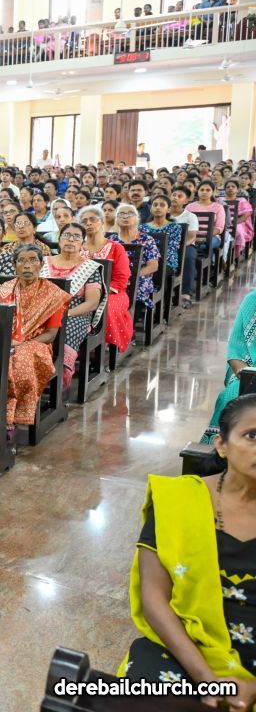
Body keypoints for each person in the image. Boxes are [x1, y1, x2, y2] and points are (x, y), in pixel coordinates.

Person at [120, 395, 256, 710]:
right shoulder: (178, 500)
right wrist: (206, 679)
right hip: (184, 647)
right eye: (252, 435)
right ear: (222, 445)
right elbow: (155, 600)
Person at [0, 245, 69, 435]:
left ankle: (11, 415)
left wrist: (22, 343)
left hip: (37, 343)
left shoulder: (52, 293)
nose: (27, 265)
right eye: (21, 260)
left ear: (41, 264)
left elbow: (51, 334)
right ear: (14, 265)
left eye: (33, 260)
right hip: (6, 339)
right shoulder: (5, 290)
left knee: (19, 358)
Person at [40, 223, 107, 387]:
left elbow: (92, 303)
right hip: (41, 311)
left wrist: (64, 314)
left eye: (76, 237)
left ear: (83, 243)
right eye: (67, 235)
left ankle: (57, 378)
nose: (71, 239)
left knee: (66, 327)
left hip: (75, 314)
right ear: (59, 239)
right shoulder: (43, 262)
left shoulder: (90, 267)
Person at [199, 289, 256, 443]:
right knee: (231, 396)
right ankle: (221, 449)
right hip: (250, 371)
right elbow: (236, 349)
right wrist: (245, 374)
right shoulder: (252, 301)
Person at [78, 205, 134, 354]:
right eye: (84, 221)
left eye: (93, 219)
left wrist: (98, 293)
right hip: (79, 292)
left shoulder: (116, 247)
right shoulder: (76, 248)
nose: (88, 223)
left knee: (106, 308)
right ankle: (75, 344)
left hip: (112, 293)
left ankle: (102, 346)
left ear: (102, 221)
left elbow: (121, 278)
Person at [109, 203, 161, 310]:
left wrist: (131, 276)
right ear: (116, 219)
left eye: (130, 214)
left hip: (138, 277)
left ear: (137, 218)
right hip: (115, 279)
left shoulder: (147, 239)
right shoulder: (111, 240)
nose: (125, 217)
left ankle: (133, 315)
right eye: (121, 214)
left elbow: (153, 266)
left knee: (135, 287)